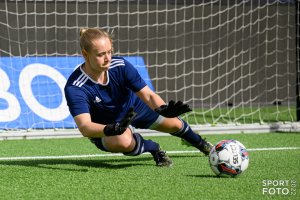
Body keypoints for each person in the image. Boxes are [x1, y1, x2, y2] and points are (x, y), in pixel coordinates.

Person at [64, 28, 213, 167]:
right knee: (122, 142)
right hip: (106, 126)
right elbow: (85, 127)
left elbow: (148, 95)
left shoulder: (121, 66)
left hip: (134, 108)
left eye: (109, 52)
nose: (107, 58)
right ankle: (153, 148)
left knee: (175, 124)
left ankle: (202, 144)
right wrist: (112, 128)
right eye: (100, 54)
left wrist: (163, 109)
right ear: (85, 54)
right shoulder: (75, 87)